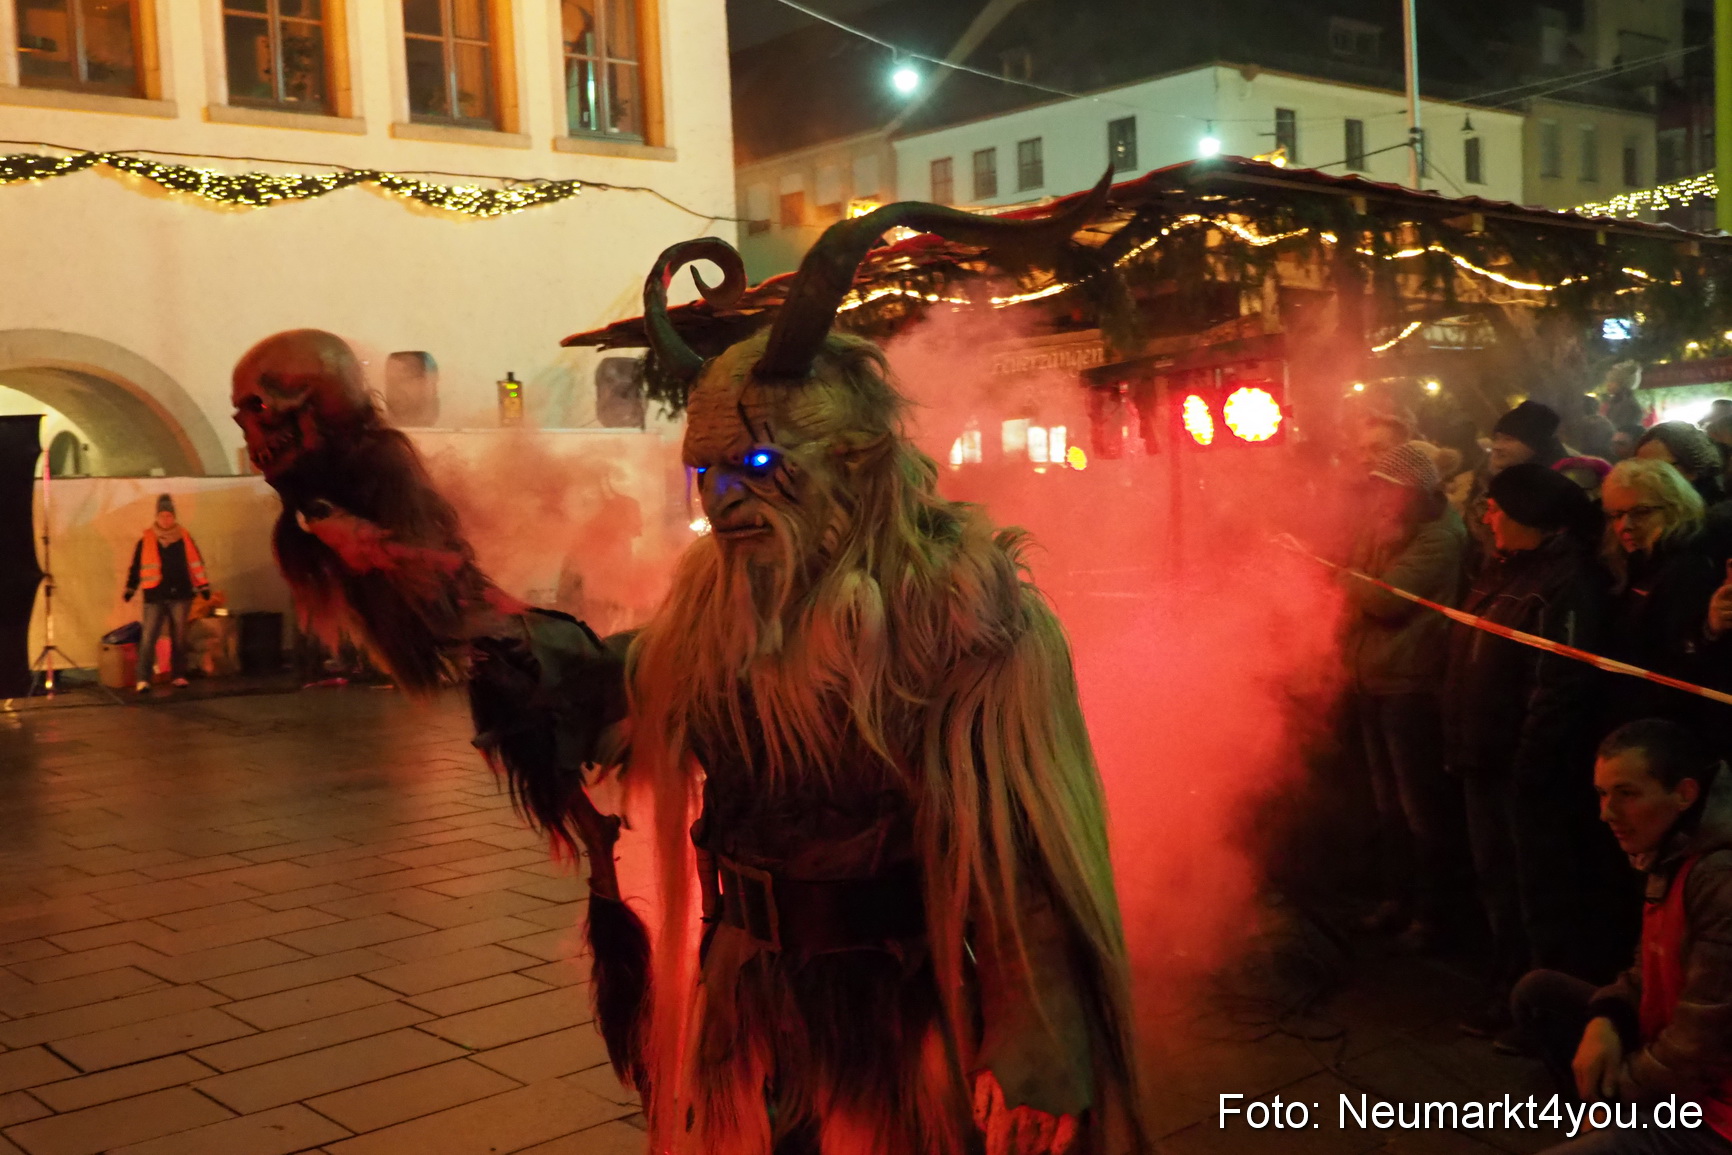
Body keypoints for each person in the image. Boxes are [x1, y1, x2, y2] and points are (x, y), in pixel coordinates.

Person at [236, 184, 1149, 1153]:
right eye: (704, 471)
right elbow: (605, 689)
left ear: (854, 458)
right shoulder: (719, 611)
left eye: (754, 466)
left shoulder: (968, 615)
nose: (723, 498)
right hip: (750, 1002)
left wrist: (1036, 1041)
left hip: (901, 1005)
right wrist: (415, 556)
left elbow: (1026, 869)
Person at [1512, 719, 1732, 1154]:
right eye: (1602, 794)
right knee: (1538, 994)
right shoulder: (1673, 845)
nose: (1606, 813)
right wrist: (1607, 1018)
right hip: (1677, 1071)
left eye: (1626, 794)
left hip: (1717, 1112)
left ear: (1684, 793)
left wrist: (1621, 1096)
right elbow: (1646, 968)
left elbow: (1700, 1048)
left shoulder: (1720, 878)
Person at [1443, 463, 1610, 1034]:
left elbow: (1557, 685)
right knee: (1498, 883)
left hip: (1522, 769)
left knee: (1536, 893)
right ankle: (1507, 992)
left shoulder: (1565, 581)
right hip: (1484, 757)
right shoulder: (1506, 567)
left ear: (1528, 518)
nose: (1487, 517)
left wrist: (1528, 768)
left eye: (1496, 508)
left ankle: (1542, 1014)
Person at [1343, 444, 1467, 949]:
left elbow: (1382, 598)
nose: (1381, 497)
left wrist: (1346, 579)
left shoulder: (1442, 537)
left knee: (1420, 810)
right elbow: (1356, 572)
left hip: (1411, 683)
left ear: (1416, 491)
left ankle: (1433, 916)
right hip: (1374, 677)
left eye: (1389, 487)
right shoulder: (1386, 527)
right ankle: (1397, 899)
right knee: (1387, 805)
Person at [1601, 460, 1729, 737]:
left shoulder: (1687, 568)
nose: (1625, 526)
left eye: (1641, 512)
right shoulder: (1638, 563)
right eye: (1615, 515)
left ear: (1676, 509)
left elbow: (1681, 661)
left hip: (1666, 729)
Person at [123, 494, 210, 693]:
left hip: (181, 595)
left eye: (169, 515)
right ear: (157, 516)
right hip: (155, 595)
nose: (166, 519)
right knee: (148, 637)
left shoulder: (185, 537)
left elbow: (196, 563)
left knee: (179, 637)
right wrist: (130, 587)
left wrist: (203, 587)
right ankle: (143, 678)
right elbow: (137, 566)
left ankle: (178, 675)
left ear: (174, 517)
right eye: (162, 515)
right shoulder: (146, 539)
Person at [1637, 422, 1727, 508]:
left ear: (1693, 469)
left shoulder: (1720, 518)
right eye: (1640, 467)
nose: (1646, 476)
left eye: (1660, 468)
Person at [1491, 400, 1570, 473]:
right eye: (1497, 438)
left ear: (1535, 444)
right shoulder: (1510, 480)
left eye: (1508, 439)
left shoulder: (1560, 481)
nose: (1497, 447)